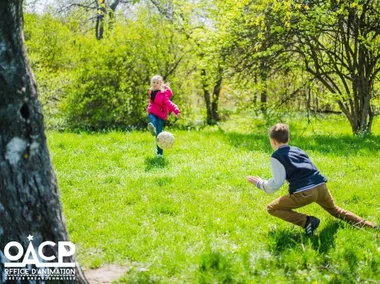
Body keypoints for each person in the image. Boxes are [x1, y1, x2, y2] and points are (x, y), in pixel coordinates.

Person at [246, 123, 376, 236]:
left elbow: (276, 183)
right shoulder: (298, 150)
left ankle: (307, 222)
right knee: (335, 210)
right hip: (321, 186)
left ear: (273, 141)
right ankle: (370, 226)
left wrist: (259, 183)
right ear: (288, 138)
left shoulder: (276, 156)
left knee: (272, 208)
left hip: (304, 192)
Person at [146, 75, 181, 158]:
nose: (155, 84)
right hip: (152, 111)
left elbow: (168, 104)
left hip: (161, 115)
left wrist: (175, 110)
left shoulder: (163, 94)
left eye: (157, 83)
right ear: (151, 83)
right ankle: (153, 127)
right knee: (152, 119)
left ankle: (159, 153)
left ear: (160, 84)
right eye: (153, 82)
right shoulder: (151, 92)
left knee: (159, 136)